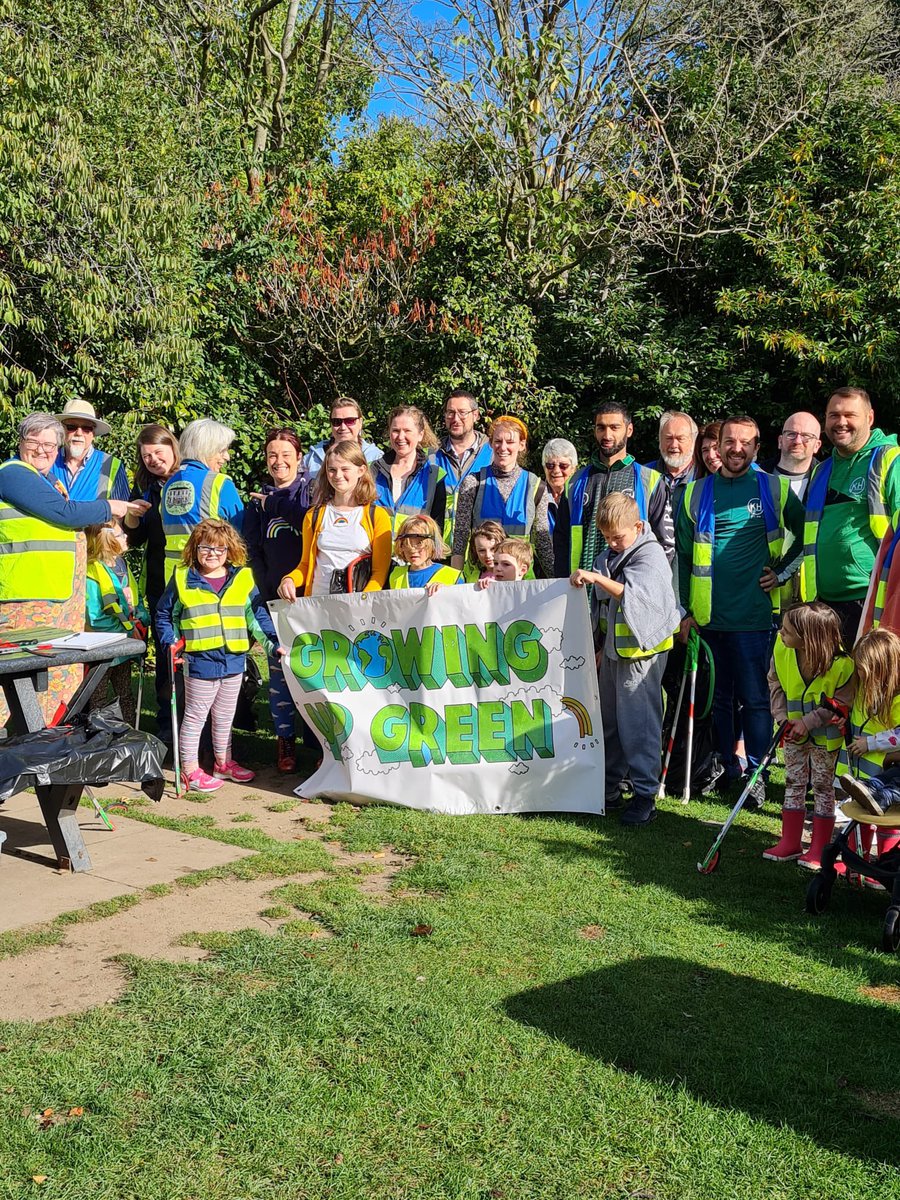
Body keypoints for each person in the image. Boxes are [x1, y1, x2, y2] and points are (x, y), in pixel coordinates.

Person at [676, 415, 805, 806]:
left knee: (755, 700)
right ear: (718, 446)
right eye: (729, 442)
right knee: (718, 700)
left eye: (745, 443)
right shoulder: (694, 493)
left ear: (757, 446)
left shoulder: (774, 488)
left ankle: (757, 773)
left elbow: (807, 536)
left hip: (754, 619)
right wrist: (685, 612)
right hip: (709, 620)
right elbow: (683, 558)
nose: (736, 449)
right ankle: (725, 767)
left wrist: (781, 573)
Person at [0, 412, 148, 722]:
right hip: (21, 604)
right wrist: (113, 506)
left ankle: (38, 756)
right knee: (8, 688)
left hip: (54, 601)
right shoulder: (12, 473)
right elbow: (65, 514)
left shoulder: (45, 480)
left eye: (50, 444)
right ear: (20, 443)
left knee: (50, 686)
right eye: (34, 441)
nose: (43, 449)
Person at [571, 492, 680, 826]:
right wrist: (600, 645)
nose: (612, 543)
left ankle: (645, 794)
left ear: (639, 525)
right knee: (609, 721)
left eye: (618, 537)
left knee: (639, 724)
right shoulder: (611, 554)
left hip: (641, 654)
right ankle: (608, 788)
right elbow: (606, 607)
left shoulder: (651, 555)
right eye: (606, 538)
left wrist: (597, 578)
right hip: (616, 650)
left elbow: (638, 598)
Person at [155, 519, 281, 793]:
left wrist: (273, 644)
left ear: (229, 550)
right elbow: (164, 615)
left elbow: (257, 617)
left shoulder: (243, 578)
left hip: (234, 660)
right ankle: (189, 769)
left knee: (225, 715)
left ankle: (223, 764)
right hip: (200, 661)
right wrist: (171, 643)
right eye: (206, 548)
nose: (212, 554)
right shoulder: (182, 578)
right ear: (195, 549)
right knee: (195, 716)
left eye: (219, 549)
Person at [798, 387, 900, 647]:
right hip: (822, 605)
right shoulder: (821, 470)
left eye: (849, 415)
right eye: (833, 415)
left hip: (871, 602)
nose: (840, 422)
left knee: (869, 685)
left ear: (870, 418)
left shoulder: (890, 460)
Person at [764, 602, 854, 867]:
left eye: (787, 630)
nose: (781, 634)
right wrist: (782, 717)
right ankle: (789, 841)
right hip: (792, 732)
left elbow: (842, 699)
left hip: (825, 738)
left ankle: (819, 848)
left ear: (808, 638)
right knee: (793, 781)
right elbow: (775, 682)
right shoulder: (782, 649)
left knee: (823, 787)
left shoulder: (842, 665)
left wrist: (810, 721)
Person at [244, 428, 306, 773]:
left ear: (299, 457)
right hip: (272, 602)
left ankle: (319, 742)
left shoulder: (310, 491)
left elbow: (306, 521)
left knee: (314, 671)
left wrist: (275, 502)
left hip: (311, 600)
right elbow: (251, 549)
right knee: (279, 671)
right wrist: (261, 592)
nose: (279, 461)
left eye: (285, 454)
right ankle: (285, 743)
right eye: (272, 455)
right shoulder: (257, 500)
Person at [553, 401, 662, 576]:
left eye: (614, 427)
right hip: (582, 587)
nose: (607, 434)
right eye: (601, 428)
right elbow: (561, 541)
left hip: (629, 588)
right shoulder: (574, 482)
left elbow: (664, 543)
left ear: (629, 430)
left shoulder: (650, 480)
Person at [278, 441, 392, 600]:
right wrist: (289, 580)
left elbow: (379, 573)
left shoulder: (377, 516)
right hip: (318, 606)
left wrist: (362, 601)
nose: (338, 475)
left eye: (345, 469)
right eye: (332, 470)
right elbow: (304, 566)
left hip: (358, 609)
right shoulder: (314, 515)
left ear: (361, 470)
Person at [124, 424, 181, 744]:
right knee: (164, 656)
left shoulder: (188, 482)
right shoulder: (144, 488)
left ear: (173, 449)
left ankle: (201, 728)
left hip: (195, 582)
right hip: (159, 584)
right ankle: (167, 727)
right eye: (146, 456)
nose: (153, 460)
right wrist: (132, 516)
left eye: (159, 453)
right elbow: (134, 538)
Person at [451, 416, 552, 576]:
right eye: (498, 441)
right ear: (490, 443)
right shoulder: (473, 483)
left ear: (522, 445)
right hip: (480, 581)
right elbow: (460, 535)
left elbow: (542, 541)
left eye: (510, 442)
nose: (503, 447)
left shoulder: (536, 486)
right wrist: (454, 579)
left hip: (521, 582)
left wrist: (557, 580)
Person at [835, 628, 900, 872]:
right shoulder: (864, 688)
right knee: (859, 812)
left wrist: (870, 743)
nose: (859, 672)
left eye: (864, 668)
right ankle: (854, 863)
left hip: (884, 767)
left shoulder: (896, 699)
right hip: (862, 770)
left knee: (887, 821)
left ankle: (885, 865)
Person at [161, 419, 244, 581]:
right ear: (207, 450)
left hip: (173, 574)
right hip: (210, 575)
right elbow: (240, 535)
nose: (226, 457)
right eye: (222, 450)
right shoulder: (220, 484)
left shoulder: (168, 485)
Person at [85, 521, 150, 725]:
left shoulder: (122, 565)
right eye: (122, 535)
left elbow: (134, 598)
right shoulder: (91, 572)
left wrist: (141, 617)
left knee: (125, 694)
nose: (127, 538)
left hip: (123, 648)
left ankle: (130, 735)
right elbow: (94, 617)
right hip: (102, 648)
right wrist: (126, 630)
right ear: (109, 541)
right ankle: (97, 741)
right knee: (98, 698)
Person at [372, 407, 447, 537]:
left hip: (414, 554)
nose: (401, 437)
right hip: (376, 554)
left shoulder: (434, 475)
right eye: (395, 430)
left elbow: (437, 529)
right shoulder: (373, 471)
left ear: (420, 435)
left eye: (407, 431)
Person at [430, 389, 493, 541]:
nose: (455, 418)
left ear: (476, 415)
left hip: (480, 553)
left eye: (462, 412)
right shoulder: (431, 455)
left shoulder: (493, 453)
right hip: (438, 551)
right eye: (450, 412)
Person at [301, 397, 382, 503]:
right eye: (336, 422)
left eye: (350, 421)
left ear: (360, 422)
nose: (343, 427)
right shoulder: (311, 458)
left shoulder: (376, 458)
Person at [49, 399, 130, 502]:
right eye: (71, 427)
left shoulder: (111, 465)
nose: (79, 433)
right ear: (62, 430)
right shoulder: (46, 459)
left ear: (93, 434)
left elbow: (122, 512)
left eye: (86, 428)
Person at [646, 411, 698, 562]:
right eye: (668, 438)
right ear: (659, 441)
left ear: (693, 441)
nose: (674, 445)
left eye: (680, 439)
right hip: (652, 566)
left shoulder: (705, 477)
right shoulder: (644, 475)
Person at [389, 516, 463, 592]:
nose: (413, 550)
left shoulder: (452, 576)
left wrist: (446, 591)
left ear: (433, 544)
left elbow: (461, 601)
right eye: (407, 543)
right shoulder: (395, 575)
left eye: (419, 543)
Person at [771, 412, 821, 501]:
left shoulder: (828, 481)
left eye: (806, 436)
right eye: (791, 434)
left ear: (816, 446)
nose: (797, 441)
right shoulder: (756, 476)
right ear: (780, 441)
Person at [541, 439, 578, 532]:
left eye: (563, 466)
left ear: (574, 468)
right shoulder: (535, 495)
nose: (556, 470)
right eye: (550, 465)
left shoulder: (580, 496)